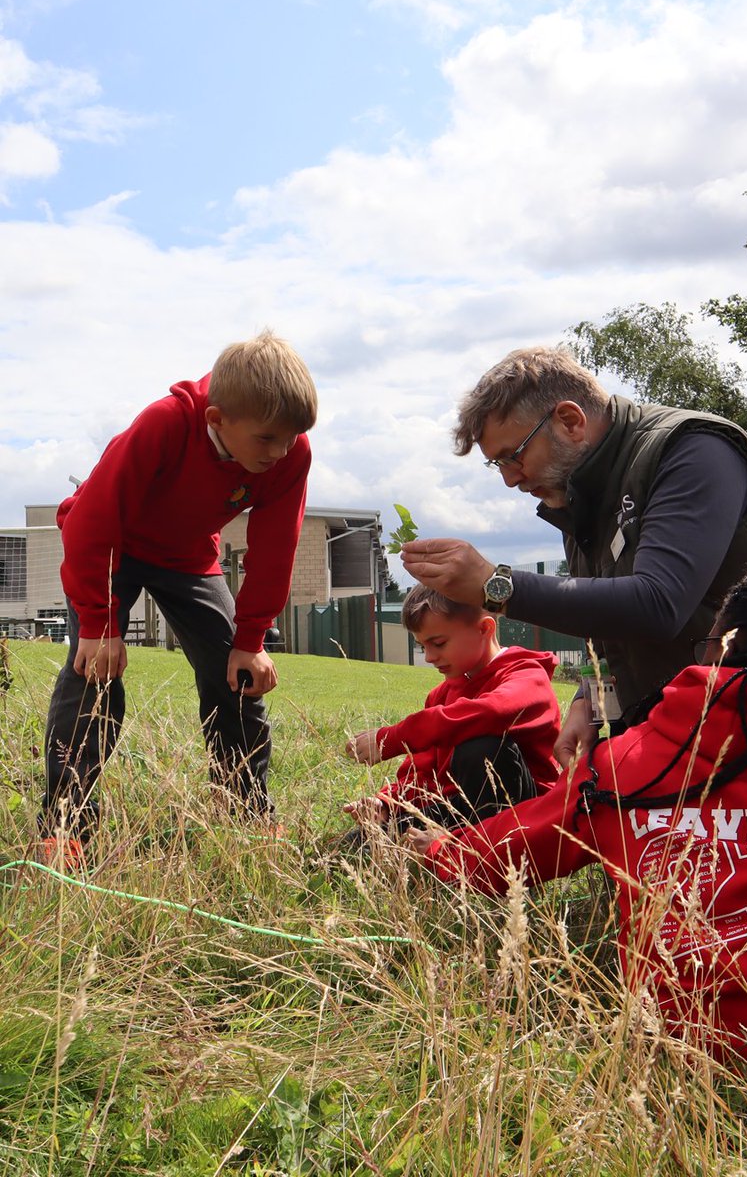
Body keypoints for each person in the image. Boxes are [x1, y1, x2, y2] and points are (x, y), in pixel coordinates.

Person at [410, 558, 747, 1082]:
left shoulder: (624, 766)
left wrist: (437, 848)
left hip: (707, 1063)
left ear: (721, 647)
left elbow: (508, 851)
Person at [400, 347, 747, 768]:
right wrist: (593, 699)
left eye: (513, 456)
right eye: (497, 466)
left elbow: (660, 602)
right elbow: (613, 636)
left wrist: (495, 584)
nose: (511, 479)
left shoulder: (692, 449)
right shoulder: (579, 498)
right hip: (732, 720)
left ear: (569, 420)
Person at [40, 330, 318, 866]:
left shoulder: (289, 453)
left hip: (188, 555)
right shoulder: (165, 423)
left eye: (292, 437)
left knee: (236, 674)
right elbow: (91, 523)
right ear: (217, 420)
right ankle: (65, 824)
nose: (281, 451)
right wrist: (100, 625)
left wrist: (252, 639)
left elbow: (277, 547)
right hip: (112, 544)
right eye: (267, 439)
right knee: (94, 673)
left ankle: (243, 808)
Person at [343, 583, 561, 835]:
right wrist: (388, 802)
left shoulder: (526, 675)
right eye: (423, 646)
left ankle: (480, 852)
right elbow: (424, 773)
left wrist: (395, 737)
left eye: (439, 643)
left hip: (526, 814)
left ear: (484, 628)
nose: (429, 657)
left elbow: (492, 712)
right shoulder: (440, 695)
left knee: (480, 746)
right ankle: (453, 842)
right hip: (462, 808)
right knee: (367, 840)